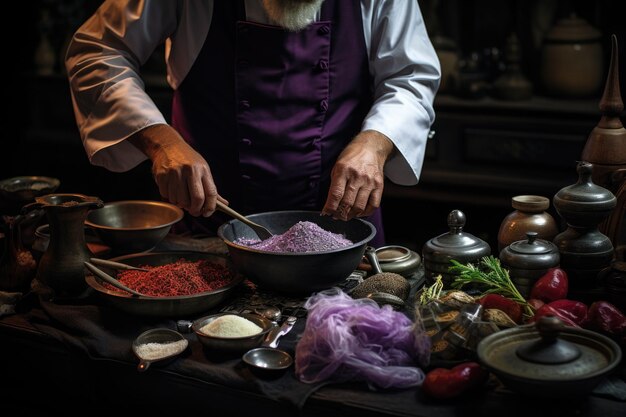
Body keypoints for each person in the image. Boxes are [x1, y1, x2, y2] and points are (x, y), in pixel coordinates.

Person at [65, 0, 440, 247]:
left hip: (343, 230)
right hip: (212, 226)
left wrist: (375, 143)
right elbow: (97, 52)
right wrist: (161, 141)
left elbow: (411, 75)